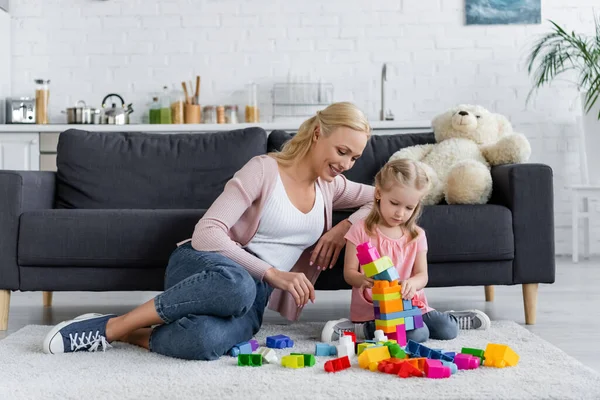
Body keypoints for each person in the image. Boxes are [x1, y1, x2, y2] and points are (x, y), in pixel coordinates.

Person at [42, 102, 375, 360]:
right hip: (207, 265)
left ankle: (134, 334)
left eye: (354, 157)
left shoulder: (331, 187)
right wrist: (271, 272)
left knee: (205, 341)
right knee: (239, 284)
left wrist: (342, 227)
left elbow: (382, 200)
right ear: (318, 133)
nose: (346, 164)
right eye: (342, 151)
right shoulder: (264, 169)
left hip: (254, 295)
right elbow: (207, 233)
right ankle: (112, 328)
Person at [321, 158, 490, 344]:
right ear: (378, 193)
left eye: (409, 207)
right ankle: (360, 329)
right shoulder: (360, 230)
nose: (400, 213)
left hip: (412, 305)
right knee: (418, 336)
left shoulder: (417, 235)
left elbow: (422, 275)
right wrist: (363, 280)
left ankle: (452, 319)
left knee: (447, 330)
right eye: (394, 203)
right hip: (374, 312)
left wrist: (411, 283)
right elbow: (349, 273)